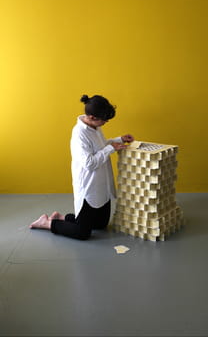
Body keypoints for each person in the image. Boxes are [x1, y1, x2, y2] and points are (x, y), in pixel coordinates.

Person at [29, 94, 134, 239]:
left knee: (100, 224)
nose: (105, 123)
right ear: (92, 117)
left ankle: (62, 217)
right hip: (89, 185)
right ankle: (46, 223)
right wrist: (111, 149)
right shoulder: (79, 134)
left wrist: (119, 140)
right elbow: (89, 163)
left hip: (101, 183)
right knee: (83, 233)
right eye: (104, 120)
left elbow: (100, 147)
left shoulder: (95, 127)